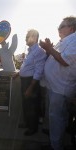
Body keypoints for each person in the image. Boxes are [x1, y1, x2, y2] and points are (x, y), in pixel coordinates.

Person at [39, 16, 76, 150]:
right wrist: (50, 47)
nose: (58, 29)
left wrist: (49, 48)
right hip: (54, 87)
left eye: (61, 26)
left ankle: (56, 147)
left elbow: (65, 61)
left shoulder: (75, 40)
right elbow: (56, 56)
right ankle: (55, 142)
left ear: (71, 28)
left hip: (61, 89)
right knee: (57, 119)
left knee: (57, 120)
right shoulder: (65, 40)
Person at [13, 29, 47, 135]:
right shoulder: (31, 50)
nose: (25, 38)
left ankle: (33, 128)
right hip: (25, 80)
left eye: (28, 36)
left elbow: (38, 71)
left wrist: (31, 87)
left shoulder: (39, 51)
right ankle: (27, 123)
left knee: (32, 106)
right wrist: (18, 73)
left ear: (34, 38)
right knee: (26, 104)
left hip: (31, 82)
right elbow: (27, 66)